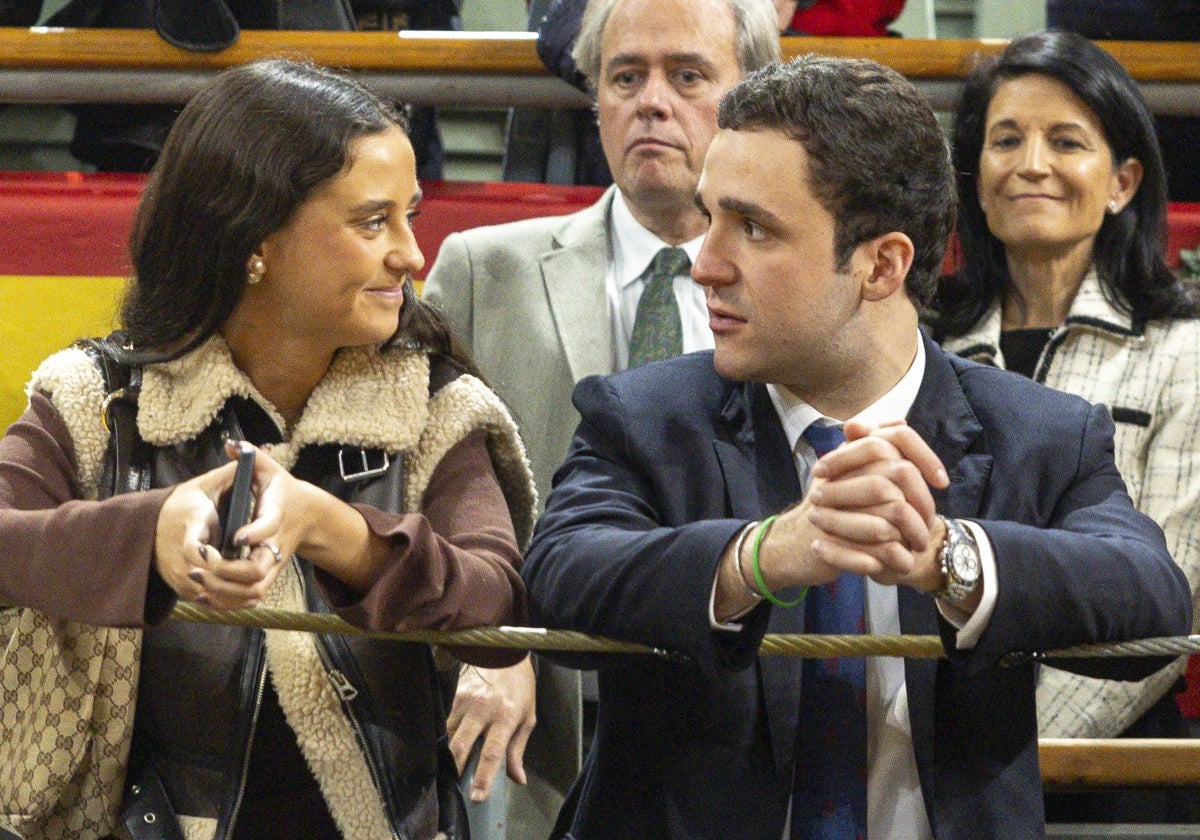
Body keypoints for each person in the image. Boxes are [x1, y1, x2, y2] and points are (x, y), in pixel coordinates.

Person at [520, 53, 1192, 839]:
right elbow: (559, 574)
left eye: (755, 228)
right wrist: (760, 556)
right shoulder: (642, 414)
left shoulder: (1044, 433)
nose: (704, 264)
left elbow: (1151, 599)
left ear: (882, 265)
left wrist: (951, 559)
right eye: (710, 217)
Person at [0, 58, 534, 839]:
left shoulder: (433, 406)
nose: (413, 256)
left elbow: (495, 593)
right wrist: (149, 532)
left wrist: (330, 529)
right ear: (256, 239)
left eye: (410, 216)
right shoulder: (95, 397)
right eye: (372, 222)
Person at [422, 0, 780, 836]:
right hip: (533, 724)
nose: (651, 102)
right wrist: (483, 640)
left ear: (752, 99)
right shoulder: (483, 270)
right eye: (625, 77)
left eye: (688, 76)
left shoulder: (798, 286)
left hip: (741, 715)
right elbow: (412, 480)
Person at [930, 29, 1200, 824]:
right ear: (974, 179)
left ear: (1122, 182)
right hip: (925, 745)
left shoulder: (1185, 351)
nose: (1032, 164)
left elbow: (1175, 589)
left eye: (1067, 141)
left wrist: (1005, 762)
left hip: (1108, 759)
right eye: (1005, 140)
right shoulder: (919, 342)